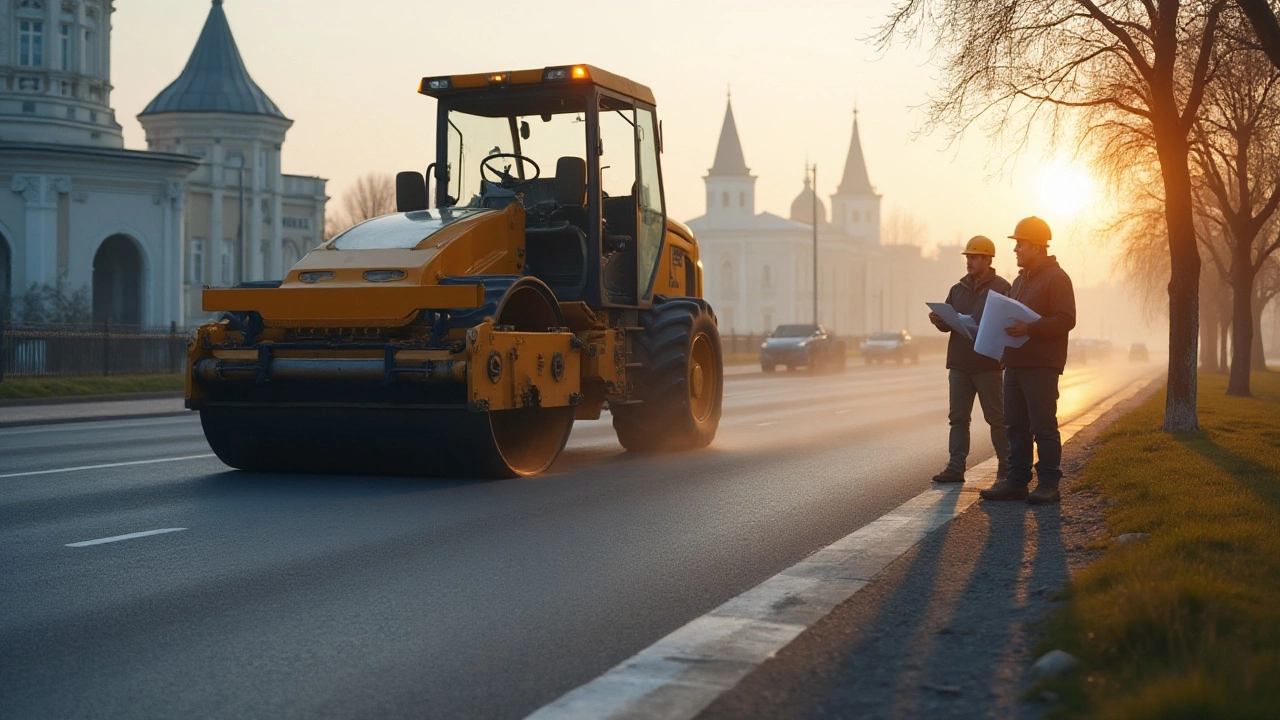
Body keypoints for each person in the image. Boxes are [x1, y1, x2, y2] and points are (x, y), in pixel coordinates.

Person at [980, 216, 1076, 505]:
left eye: (1019, 244)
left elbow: (1066, 319)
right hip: (1015, 364)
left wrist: (1029, 329)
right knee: (1014, 425)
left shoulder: (1057, 278)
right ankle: (1017, 481)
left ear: (1036, 246)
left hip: (1042, 366)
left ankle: (1048, 484)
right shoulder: (1020, 280)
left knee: (1043, 426)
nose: (1015, 250)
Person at [927, 235, 1012, 484]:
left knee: (997, 419)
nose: (969, 262)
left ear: (987, 259)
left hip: (987, 364)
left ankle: (1007, 467)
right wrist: (939, 320)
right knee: (958, 419)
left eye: (973, 257)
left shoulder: (1002, 288)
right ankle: (956, 467)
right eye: (967, 257)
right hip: (960, 363)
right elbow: (948, 322)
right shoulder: (957, 289)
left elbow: (1008, 324)